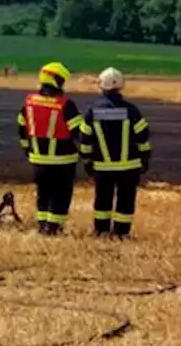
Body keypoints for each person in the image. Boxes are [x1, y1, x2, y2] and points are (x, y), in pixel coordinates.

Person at [79, 68, 152, 238]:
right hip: (129, 167)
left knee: (102, 200)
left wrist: (87, 161)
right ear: (120, 86)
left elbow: (85, 140)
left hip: (102, 167)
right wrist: (145, 159)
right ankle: (121, 232)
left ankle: (101, 231)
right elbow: (143, 137)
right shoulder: (132, 110)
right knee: (125, 201)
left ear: (101, 86)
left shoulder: (92, 111)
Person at [17, 62, 84, 235]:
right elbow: (80, 132)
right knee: (61, 195)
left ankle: (42, 225)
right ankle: (54, 229)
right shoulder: (65, 104)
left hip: (38, 160)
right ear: (55, 80)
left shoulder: (29, 103)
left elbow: (22, 130)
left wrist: (28, 151)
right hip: (63, 160)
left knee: (43, 193)